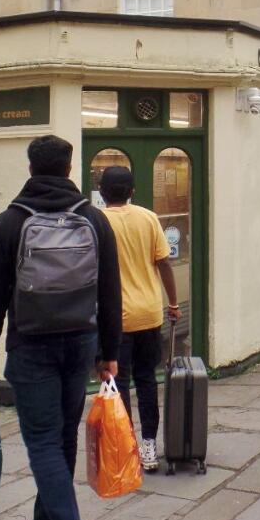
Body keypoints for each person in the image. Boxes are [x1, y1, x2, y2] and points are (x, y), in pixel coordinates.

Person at [0, 135, 121, 520]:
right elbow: (110, 292)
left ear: (31, 168)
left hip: (31, 348)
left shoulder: (8, 223)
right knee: (59, 440)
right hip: (80, 343)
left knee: (44, 445)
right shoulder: (93, 220)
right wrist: (109, 351)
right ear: (70, 169)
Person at [98, 166, 181, 473]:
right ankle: (149, 448)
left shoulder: (98, 221)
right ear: (132, 191)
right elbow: (164, 264)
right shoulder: (148, 218)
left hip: (114, 320)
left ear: (102, 192)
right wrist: (173, 303)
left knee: (117, 386)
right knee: (147, 381)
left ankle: (125, 449)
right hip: (148, 313)